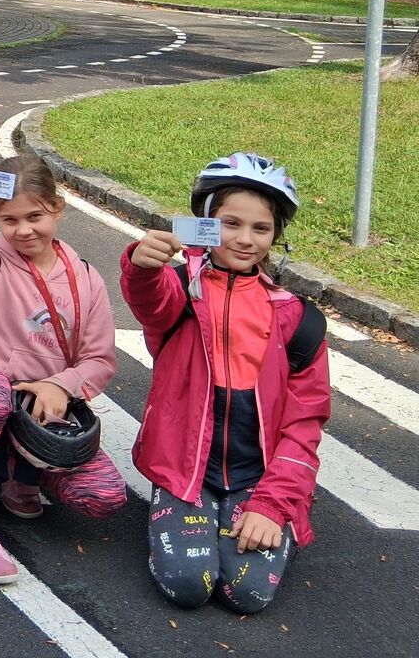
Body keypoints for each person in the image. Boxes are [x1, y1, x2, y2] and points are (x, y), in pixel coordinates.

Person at [122, 154, 329, 615]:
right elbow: (149, 299)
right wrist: (141, 265)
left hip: (259, 477)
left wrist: (272, 505)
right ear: (205, 222)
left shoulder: (300, 320)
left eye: (261, 228)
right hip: (185, 472)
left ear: (276, 235)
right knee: (188, 585)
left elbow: (305, 423)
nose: (245, 239)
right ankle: (190, 508)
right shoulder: (179, 290)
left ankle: (257, 510)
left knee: (248, 593)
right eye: (230, 223)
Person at [0, 155, 126, 585]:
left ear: (58, 208)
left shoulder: (86, 278)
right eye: (9, 220)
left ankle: (22, 475)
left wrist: (60, 385)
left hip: (36, 411)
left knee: (104, 494)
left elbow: (100, 359)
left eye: (35, 216)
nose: (24, 230)